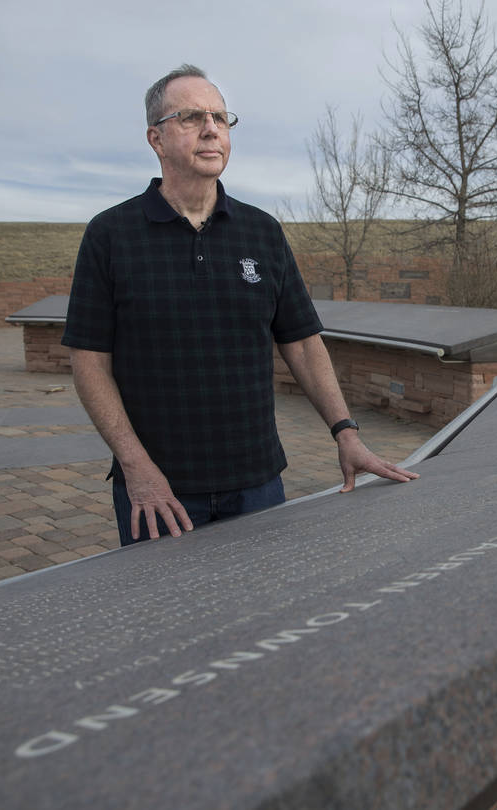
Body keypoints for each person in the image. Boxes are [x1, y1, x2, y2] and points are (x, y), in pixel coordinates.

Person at [62, 64, 417, 546]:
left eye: (220, 117)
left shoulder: (262, 232)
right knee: (167, 600)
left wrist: (346, 433)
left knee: (263, 597)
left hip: (258, 485)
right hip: (160, 492)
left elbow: (303, 344)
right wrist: (136, 467)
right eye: (191, 117)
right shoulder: (110, 235)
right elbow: (89, 362)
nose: (211, 129)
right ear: (156, 139)